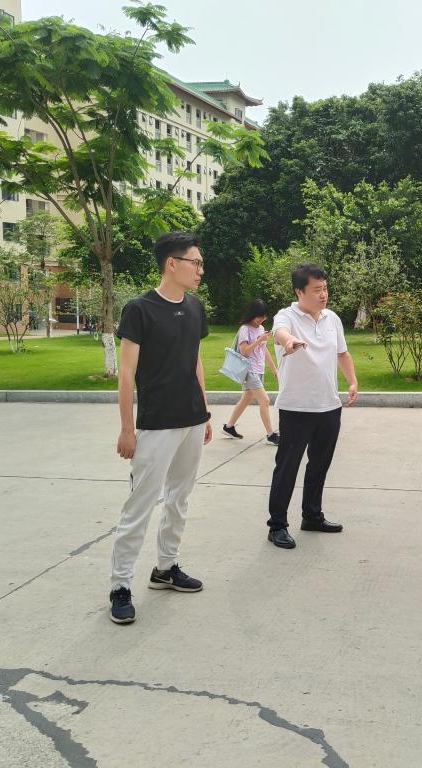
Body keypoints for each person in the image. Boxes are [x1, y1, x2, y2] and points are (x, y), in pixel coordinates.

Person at [107, 231, 213, 625]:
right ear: (172, 263)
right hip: (155, 425)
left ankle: (165, 568)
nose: (200, 270)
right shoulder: (140, 309)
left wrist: (205, 411)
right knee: (139, 506)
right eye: (195, 263)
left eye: (200, 263)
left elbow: (195, 361)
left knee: (179, 499)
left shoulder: (196, 307)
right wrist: (126, 428)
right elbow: (126, 374)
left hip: (191, 420)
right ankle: (120, 585)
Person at [266, 264, 358, 550]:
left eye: (325, 289)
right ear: (299, 292)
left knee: (320, 465)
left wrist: (352, 381)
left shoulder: (332, 318)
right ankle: (277, 525)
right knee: (287, 467)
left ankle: (312, 516)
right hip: (297, 407)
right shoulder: (287, 315)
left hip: (328, 406)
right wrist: (290, 341)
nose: (323, 295)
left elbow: (342, 353)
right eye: (317, 290)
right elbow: (279, 333)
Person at [222, 299, 280, 446]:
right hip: (249, 370)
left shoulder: (261, 328)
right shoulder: (245, 329)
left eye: (264, 316)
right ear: (252, 314)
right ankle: (271, 435)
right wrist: (259, 340)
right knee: (265, 400)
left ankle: (229, 427)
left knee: (246, 399)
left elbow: (264, 351)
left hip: (258, 369)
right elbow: (244, 351)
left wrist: (274, 369)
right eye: (259, 316)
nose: (261, 319)